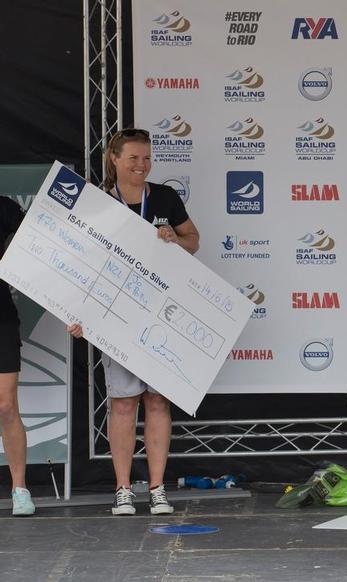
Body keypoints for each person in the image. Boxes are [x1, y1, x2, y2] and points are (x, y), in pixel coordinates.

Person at [68, 128, 199, 516]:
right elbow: (78, 261)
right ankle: (123, 488)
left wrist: (174, 239)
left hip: (160, 312)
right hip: (115, 315)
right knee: (124, 404)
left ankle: (157, 488)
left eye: (146, 158)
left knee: (157, 401)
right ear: (114, 158)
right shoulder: (96, 202)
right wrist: (78, 313)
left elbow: (194, 240)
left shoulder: (164, 197)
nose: (141, 165)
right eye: (133, 158)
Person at [0, 196, 34, 516]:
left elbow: (38, 242)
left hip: (1, 318)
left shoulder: (5, 207)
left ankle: (19, 489)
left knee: (6, 405)